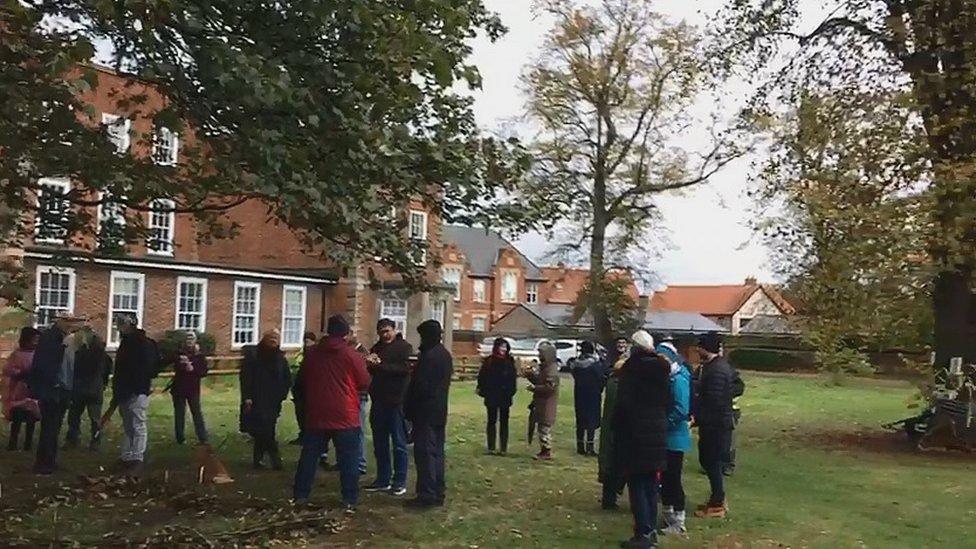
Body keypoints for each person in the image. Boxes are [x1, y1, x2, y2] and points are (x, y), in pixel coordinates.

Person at [293, 315, 370, 511]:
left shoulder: (312, 354)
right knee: (348, 459)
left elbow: (301, 380)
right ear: (345, 333)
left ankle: (301, 494)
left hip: (318, 412)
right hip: (345, 413)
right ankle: (349, 498)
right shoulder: (352, 355)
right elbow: (364, 381)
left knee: (309, 457)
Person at [613, 330, 670, 549]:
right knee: (651, 485)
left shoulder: (631, 371)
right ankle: (651, 531)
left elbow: (624, 405)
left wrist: (616, 430)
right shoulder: (663, 370)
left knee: (637, 485)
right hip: (657, 429)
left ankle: (642, 533)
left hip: (635, 433)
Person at [692, 332, 742, 519]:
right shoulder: (715, 367)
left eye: (700, 347)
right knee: (710, 461)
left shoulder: (716, 371)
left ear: (706, 348)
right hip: (716, 422)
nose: (697, 350)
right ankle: (716, 498)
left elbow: (713, 401)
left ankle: (718, 504)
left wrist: (697, 418)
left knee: (712, 462)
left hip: (716, 424)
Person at [403, 320, 453, 508]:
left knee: (425, 454)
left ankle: (427, 494)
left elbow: (422, 387)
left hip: (426, 412)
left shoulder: (430, 357)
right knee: (437, 452)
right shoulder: (443, 355)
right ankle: (437, 491)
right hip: (439, 411)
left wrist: (409, 407)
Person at [28, 314, 85, 475]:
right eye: (67, 322)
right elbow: (44, 364)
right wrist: (53, 383)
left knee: (55, 427)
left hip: (62, 389)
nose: (70, 325)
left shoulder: (66, 338)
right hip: (52, 389)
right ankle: (43, 463)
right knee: (49, 427)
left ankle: (50, 460)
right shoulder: (50, 338)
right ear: (59, 322)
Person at [364, 318, 414, 495]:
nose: (384, 335)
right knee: (380, 442)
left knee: (399, 443)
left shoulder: (405, 348)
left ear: (394, 330)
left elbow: (404, 370)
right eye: (381, 332)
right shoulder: (376, 348)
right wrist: (370, 364)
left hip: (397, 401)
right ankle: (383, 479)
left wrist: (381, 365)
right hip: (378, 400)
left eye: (387, 331)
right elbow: (369, 371)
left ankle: (399, 481)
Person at [111, 314, 160, 477]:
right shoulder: (125, 343)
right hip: (124, 390)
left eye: (122, 324)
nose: (119, 327)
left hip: (137, 389)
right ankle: (127, 456)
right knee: (128, 425)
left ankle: (137, 457)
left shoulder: (144, 344)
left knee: (138, 423)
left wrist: (137, 387)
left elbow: (147, 368)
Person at [241, 329, 292, 470]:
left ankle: (257, 460)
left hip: (273, 400)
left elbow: (287, 378)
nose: (273, 340)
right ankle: (276, 461)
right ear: (265, 338)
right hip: (257, 398)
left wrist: (283, 394)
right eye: (271, 337)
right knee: (265, 430)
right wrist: (247, 397)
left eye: (276, 338)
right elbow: (246, 378)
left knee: (265, 430)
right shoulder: (254, 355)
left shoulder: (280, 358)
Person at [656, 337, 692, 535]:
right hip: (668, 437)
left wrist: (664, 423)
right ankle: (669, 516)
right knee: (666, 479)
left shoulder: (678, 380)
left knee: (673, 479)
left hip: (675, 438)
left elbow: (681, 409)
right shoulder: (670, 377)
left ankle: (679, 521)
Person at [65, 326, 111, 451]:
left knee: (74, 416)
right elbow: (106, 372)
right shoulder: (104, 356)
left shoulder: (80, 353)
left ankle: (73, 439)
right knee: (95, 418)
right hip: (95, 388)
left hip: (80, 388)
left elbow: (74, 369)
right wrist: (103, 384)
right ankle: (95, 441)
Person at [598, 336, 629, 510]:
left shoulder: (612, 382)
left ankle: (609, 496)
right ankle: (611, 497)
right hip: (617, 429)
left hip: (611, 427)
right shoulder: (619, 385)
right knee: (615, 465)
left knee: (610, 464)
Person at [476, 337, 517, 456]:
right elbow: (482, 377)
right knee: (491, 421)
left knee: (504, 422)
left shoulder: (509, 361)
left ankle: (503, 448)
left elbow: (513, 379)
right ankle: (491, 447)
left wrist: (510, 392)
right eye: (501, 347)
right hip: (492, 395)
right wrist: (483, 390)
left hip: (505, 396)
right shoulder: (489, 361)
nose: (503, 349)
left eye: (505, 347)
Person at [4, 327, 41, 451]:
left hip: (32, 390)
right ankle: (12, 443)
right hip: (18, 390)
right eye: (34, 340)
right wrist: (20, 373)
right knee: (17, 417)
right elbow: (8, 370)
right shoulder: (17, 354)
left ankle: (28, 444)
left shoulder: (38, 354)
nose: (36, 343)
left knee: (31, 418)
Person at [171, 331, 209, 445]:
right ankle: (180, 438)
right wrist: (183, 364)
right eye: (187, 339)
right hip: (179, 387)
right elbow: (176, 365)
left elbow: (204, 371)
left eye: (191, 339)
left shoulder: (200, 356)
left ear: (195, 341)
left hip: (193, 388)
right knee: (179, 413)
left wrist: (193, 369)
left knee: (196, 412)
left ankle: (203, 437)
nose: (189, 342)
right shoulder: (180, 353)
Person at [568, 341, 605, 456]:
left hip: (579, 394)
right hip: (593, 394)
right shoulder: (595, 365)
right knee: (591, 422)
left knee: (580, 420)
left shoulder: (576, 365)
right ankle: (590, 447)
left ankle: (580, 446)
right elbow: (601, 379)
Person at [526, 342, 559, 461]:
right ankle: (544, 450)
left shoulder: (552, 369)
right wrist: (530, 375)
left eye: (541, 353)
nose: (539, 356)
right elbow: (540, 381)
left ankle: (546, 451)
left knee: (544, 428)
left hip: (547, 404)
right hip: (540, 403)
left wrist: (535, 389)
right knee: (541, 428)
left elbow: (550, 387)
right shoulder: (544, 367)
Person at [288, 331, 318, 446]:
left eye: (307, 342)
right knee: (300, 414)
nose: (305, 344)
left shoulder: (315, 354)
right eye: (304, 341)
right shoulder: (301, 354)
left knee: (307, 415)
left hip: (309, 390)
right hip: (298, 388)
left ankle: (308, 436)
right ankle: (302, 434)